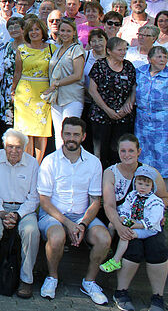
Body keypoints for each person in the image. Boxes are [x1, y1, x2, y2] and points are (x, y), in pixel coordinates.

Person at [37, 117, 110, 305]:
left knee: (104, 238)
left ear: (83, 137)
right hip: (53, 215)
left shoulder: (93, 163)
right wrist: (68, 224)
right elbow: (44, 201)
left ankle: (89, 282)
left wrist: (83, 224)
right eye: (67, 134)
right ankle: (52, 278)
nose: (71, 138)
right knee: (56, 237)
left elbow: (95, 201)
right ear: (61, 135)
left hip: (82, 215)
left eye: (76, 134)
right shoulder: (50, 161)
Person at [101, 137, 168, 311]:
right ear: (118, 152)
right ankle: (121, 292)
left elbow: (164, 197)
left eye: (131, 150)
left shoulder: (150, 172)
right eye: (123, 151)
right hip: (122, 221)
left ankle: (158, 297)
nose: (127, 154)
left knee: (157, 247)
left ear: (139, 152)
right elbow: (109, 205)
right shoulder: (111, 172)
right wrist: (120, 226)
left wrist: (160, 213)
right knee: (133, 247)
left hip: (148, 223)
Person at [0, 129, 40, 298]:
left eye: (18, 147)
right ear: (3, 146)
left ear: (25, 148)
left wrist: (19, 215)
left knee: (31, 232)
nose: (14, 151)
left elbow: (34, 196)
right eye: (10, 146)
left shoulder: (32, 163)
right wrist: (1, 213)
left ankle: (26, 280)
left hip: (24, 209)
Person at [135, 46, 168, 207]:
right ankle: (145, 194)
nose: (163, 59)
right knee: (145, 159)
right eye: (159, 56)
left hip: (166, 124)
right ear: (149, 59)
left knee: (167, 160)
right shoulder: (140, 72)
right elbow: (133, 92)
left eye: (165, 56)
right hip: (143, 124)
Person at [101, 168, 164, 273]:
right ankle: (108, 249)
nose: (143, 187)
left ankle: (116, 260)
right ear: (135, 182)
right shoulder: (132, 195)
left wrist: (139, 225)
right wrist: (123, 217)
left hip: (147, 228)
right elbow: (125, 208)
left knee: (127, 234)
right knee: (112, 225)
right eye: (140, 183)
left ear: (152, 186)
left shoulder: (155, 201)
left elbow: (155, 219)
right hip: (133, 222)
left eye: (147, 185)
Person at [88, 37, 137, 167]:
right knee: (100, 153)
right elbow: (92, 90)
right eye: (119, 50)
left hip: (122, 116)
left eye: (125, 49)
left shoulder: (128, 66)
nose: (123, 52)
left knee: (117, 152)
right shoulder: (100, 65)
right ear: (109, 51)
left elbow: (133, 89)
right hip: (101, 115)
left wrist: (128, 104)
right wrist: (107, 110)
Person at [12, 16, 53, 163]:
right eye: (31, 30)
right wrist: (13, 90)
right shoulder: (21, 49)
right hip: (24, 93)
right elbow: (17, 72)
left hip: (43, 93)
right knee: (26, 131)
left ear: (43, 31)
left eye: (37, 29)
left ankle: (39, 164)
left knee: (41, 131)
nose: (34, 32)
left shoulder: (52, 48)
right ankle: (28, 163)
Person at [44, 18, 85, 148]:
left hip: (72, 97)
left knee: (70, 134)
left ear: (74, 32)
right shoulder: (58, 49)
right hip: (57, 97)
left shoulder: (77, 49)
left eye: (68, 31)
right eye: (62, 30)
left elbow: (77, 75)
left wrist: (57, 84)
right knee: (59, 135)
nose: (65, 34)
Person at [0, 17, 24, 127]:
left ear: (23, 28)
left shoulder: (28, 46)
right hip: (7, 87)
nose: (14, 30)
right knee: (8, 121)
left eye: (17, 27)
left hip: (21, 85)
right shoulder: (7, 46)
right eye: (10, 28)